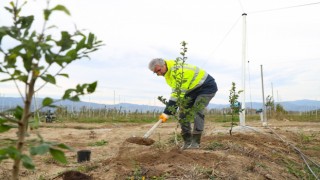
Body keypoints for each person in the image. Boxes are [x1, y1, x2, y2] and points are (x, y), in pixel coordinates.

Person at [148, 58, 218, 149]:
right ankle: (187, 141)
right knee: (183, 114)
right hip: (190, 90)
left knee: (197, 111)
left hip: (206, 87)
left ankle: (195, 143)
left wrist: (167, 112)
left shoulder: (178, 71)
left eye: (158, 70)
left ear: (163, 65)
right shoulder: (168, 74)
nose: (158, 74)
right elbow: (176, 93)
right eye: (156, 73)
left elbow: (177, 94)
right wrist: (170, 111)